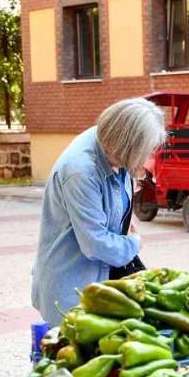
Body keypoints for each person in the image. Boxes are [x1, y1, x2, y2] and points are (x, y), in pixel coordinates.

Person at [32, 97, 166, 327]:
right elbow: (95, 244)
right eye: (147, 153)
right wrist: (132, 242)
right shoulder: (80, 171)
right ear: (128, 145)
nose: (150, 160)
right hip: (71, 292)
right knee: (66, 360)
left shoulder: (114, 146)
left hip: (101, 284)